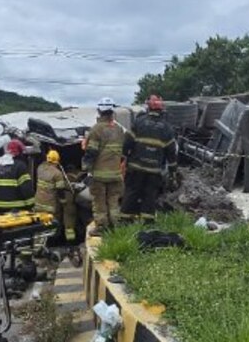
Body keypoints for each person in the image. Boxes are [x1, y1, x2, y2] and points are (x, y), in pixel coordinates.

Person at [121, 95, 177, 223]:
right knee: (149, 196)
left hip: (136, 168)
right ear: (161, 110)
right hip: (154, 170)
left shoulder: (138, 122)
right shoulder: (167, 128)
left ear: (148, 107)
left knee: (131, 193)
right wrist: (173, 173)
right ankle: (147, 222)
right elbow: (171, 153)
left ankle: (124, 222)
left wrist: (122, 159)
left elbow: (127, 143)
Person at [82, 98, 125, 236]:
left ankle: (101, 228)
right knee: (113, 201)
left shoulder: (96, 129)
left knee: (99, 202)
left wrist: (87, 170)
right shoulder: (119, 129)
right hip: (116, 174)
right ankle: (116, 227)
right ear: (112, 112)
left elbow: (91, 152)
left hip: (99, 175)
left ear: (100, 111)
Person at [34, 149, 77, 244]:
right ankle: (53, 242)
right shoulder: (57, 174)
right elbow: (60, 189)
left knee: (41, 224)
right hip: (50, 205)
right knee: (53, 223)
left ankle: (39, 243)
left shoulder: (40, 168)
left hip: (38, 203)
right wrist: (63, 201)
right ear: (57, 161)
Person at [0, 139, 35, 213]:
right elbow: (26, 188)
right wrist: (31, 205)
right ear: (19, 153)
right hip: (17, 208)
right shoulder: (20, 166)